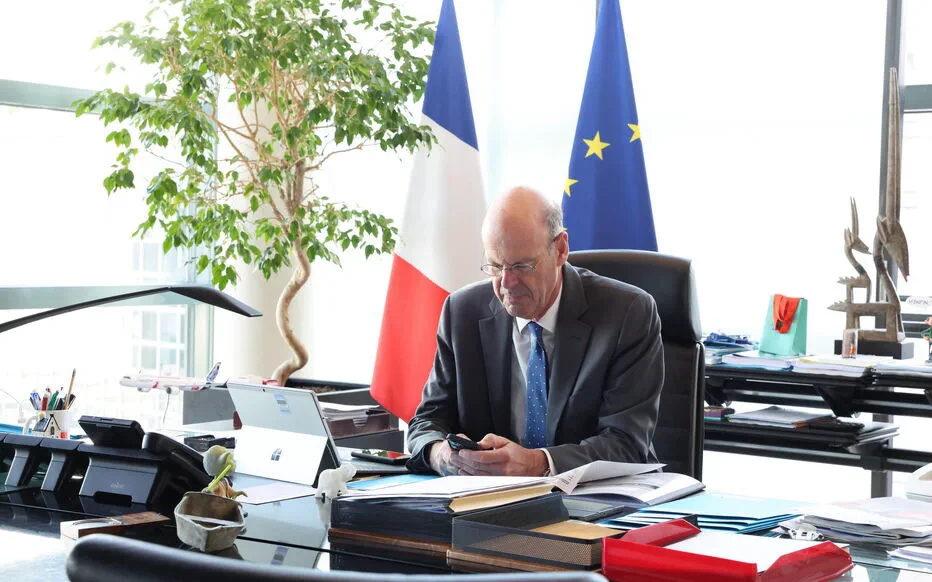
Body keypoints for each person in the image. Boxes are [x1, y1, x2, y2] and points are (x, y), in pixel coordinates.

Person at [406, 186, 664, 476]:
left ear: (561, 249)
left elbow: (626, 444)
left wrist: (536, 463)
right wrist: (442, 454)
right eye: (495, 266)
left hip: (601, 500)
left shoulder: (627, 313)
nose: (507, 283)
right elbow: (425, 423)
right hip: (490, 503)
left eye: (522, 266)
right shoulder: (462, 313)